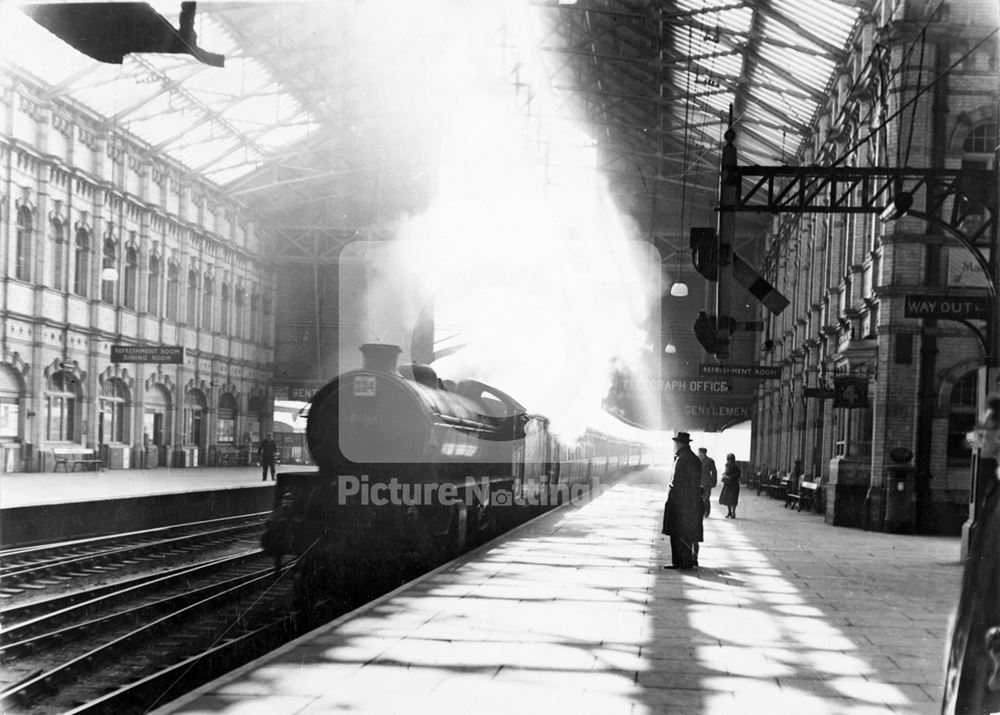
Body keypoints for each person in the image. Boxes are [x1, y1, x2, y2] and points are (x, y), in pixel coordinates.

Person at [662, 431, 704, 570]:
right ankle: (686, 561)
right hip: (691, 501)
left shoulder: (681, 459)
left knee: (675, 533)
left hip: (678, 502)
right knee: (687, 533)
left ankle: (677, 562)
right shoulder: (695, 459)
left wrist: (671, 500)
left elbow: (675, 482)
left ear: (679, 443)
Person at [719, 453, 741, 518]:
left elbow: (738, 475)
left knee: (733, 499)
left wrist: (729, 477)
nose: (729, 460)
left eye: (730, 459)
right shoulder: (727, 465)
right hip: (728, 484)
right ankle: (729, 512)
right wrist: (724, 475)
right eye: (728, 459)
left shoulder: (736, 466)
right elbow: (725, 472)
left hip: (734, 485)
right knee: (728, 499)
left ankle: (733, 513)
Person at [697, 447, 718, 518]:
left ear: (702, 453)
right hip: (698, 482)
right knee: (699, 498)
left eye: (699, 452)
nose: (698, 454)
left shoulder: (710, 461)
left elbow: (714, 472)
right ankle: (700, 511)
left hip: (707, 483)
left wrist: (714, 482)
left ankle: (706, 512)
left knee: (706, 498)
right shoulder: (697, 460)